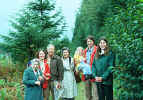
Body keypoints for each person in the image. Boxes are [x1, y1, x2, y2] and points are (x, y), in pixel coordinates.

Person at [83, 35, 98, 100]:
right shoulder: (85, 51)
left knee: (95, 93)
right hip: (87, 74)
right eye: (88, 41)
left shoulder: (97, 49)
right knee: (87, 93)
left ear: (93, 42)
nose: (89, 43)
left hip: (94, 73)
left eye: (90, 41)